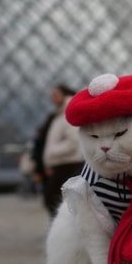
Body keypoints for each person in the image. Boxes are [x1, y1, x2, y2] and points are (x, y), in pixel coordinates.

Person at [42, 84, 81, 218]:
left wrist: (52, 153)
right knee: (54, 200)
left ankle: (63, 229)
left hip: (68, 164)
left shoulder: (66, 114)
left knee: (54, 200)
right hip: (62, 163)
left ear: (65, 94)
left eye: (55, 94)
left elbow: (73, 142)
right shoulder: (59, 114)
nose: (52, 98)